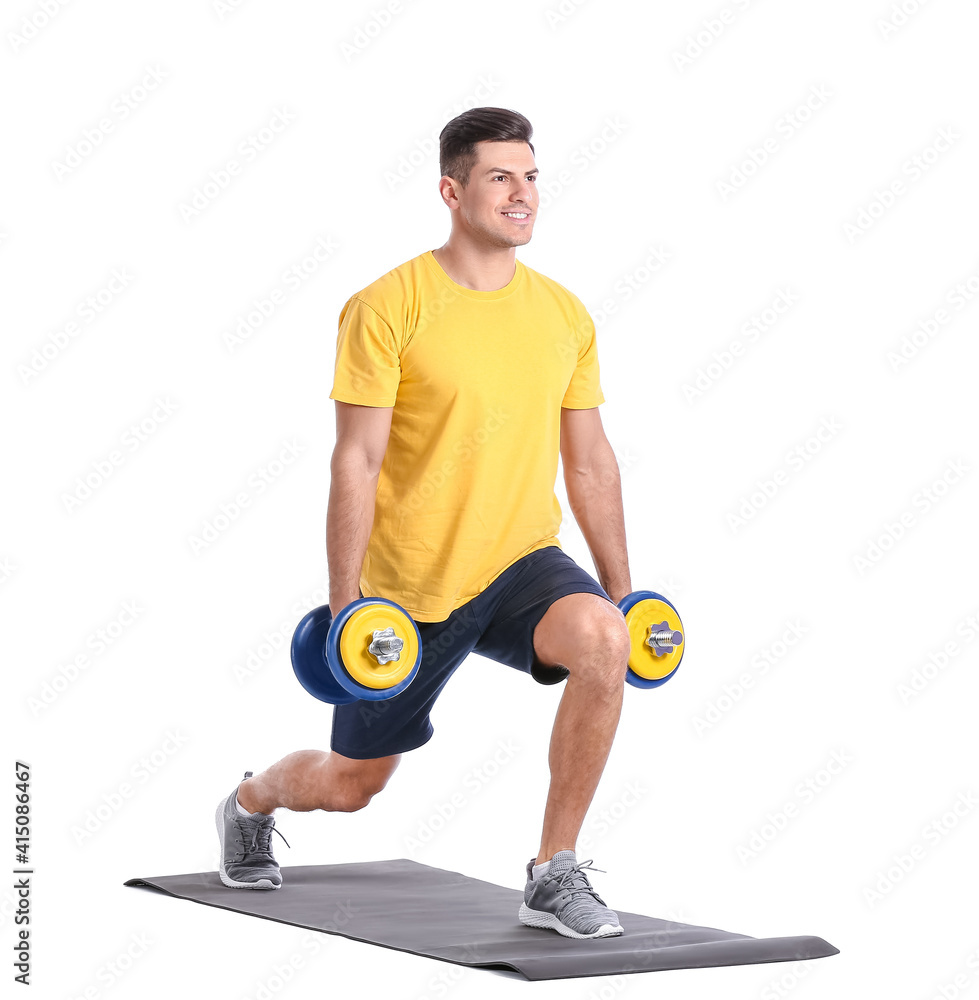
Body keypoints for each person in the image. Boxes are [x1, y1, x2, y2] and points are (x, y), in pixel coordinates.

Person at [215, 107, 636, 940]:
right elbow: (355, 461)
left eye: (531, 176)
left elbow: (588, 458)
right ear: (452, 190)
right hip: (407, 588)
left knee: (599, 640)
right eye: (499, 177)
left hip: (520, 560)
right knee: (351, 785)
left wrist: (621, 594)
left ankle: (553, 870)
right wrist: (346, 604)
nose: (522, 195)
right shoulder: (385, 306)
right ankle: (251, 798)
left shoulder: (563, 314)